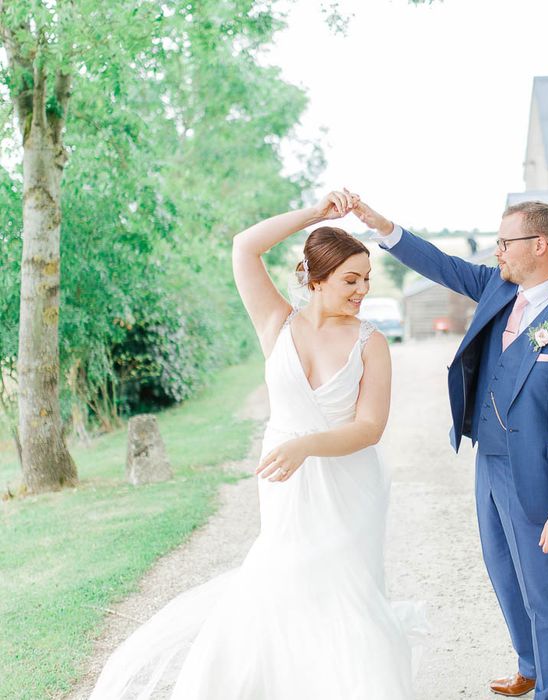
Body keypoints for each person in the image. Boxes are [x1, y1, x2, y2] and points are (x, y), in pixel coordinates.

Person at [88, 190, 424, 699]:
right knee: (284, 580)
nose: (361, 291)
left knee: (344, 590)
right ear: (314, 279)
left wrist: (307, 445)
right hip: (285, 483)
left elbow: (370, 427)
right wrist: (315, 214)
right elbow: (244, 247)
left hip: (348, 481)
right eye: (350, 280)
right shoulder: (276, 322)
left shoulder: (370, 342)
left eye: (366, 280)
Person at [353, 195, 548, 699]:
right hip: (488, 461)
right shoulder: (497, 286)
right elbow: (441, 265)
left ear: (540, 245)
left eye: (504, 243)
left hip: (538, 476)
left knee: (545, 592)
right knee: (503, 574)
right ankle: (529, 667)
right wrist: (381, 226)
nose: (497, 253)